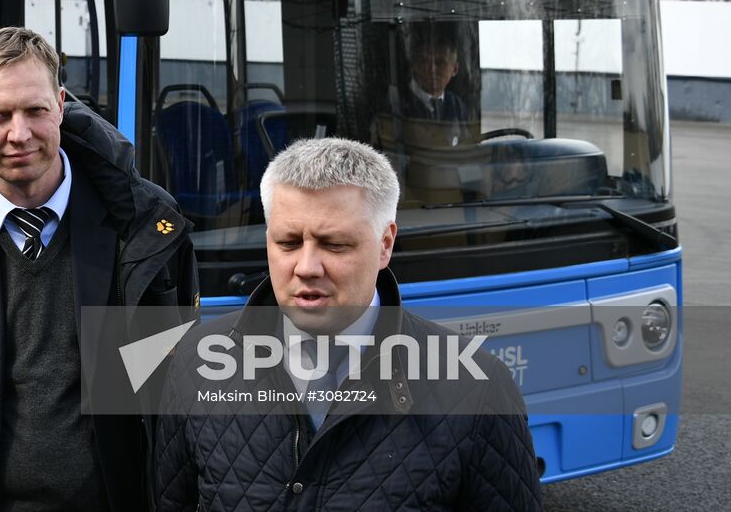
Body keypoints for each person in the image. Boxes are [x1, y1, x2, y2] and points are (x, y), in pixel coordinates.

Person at [0, 26, 199, 512]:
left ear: (61, 104)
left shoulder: (143, 229)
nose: (19, 134)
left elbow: (173, 382)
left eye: (35, 111)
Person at [153, 138, 541, 511]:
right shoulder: (194, 363)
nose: (306, 267)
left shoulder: (480, 389)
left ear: (385, 244)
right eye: (288, 243)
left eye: (335, 244)